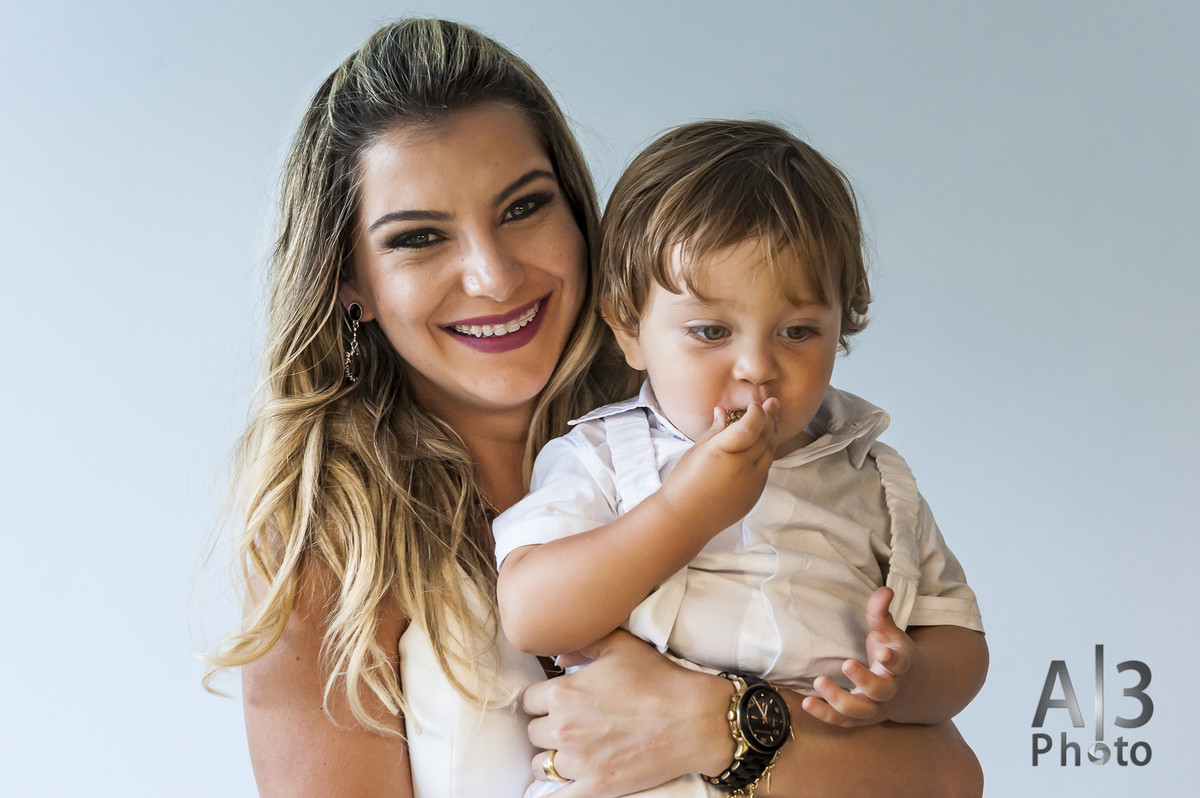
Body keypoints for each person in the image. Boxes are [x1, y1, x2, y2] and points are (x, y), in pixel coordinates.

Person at [204, 18, 986, 798]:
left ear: (581, 217)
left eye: (522, 208)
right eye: (418, 238)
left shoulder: (710, 422)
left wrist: (715, 724)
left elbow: (950, 778)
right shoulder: (330, 548)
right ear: (350, 282)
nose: (494, 276)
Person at [496, 120, 989, 796]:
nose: (758, 367)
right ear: (629, 330)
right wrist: (685, 511)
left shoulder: (875, 479)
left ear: (842, 326)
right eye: (710, 331)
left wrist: (909, 681)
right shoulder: (605, 455)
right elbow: (530, 611)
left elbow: (958, 641)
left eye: (798, 331)